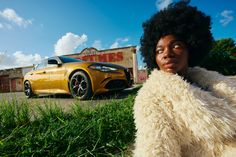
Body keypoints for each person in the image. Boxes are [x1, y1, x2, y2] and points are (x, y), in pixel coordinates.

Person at [133, 1, 236, 157]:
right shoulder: (149, 99)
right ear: (154, 57)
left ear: (191, 48)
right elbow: (155, 149)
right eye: (159, 50)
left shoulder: (214, 82)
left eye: (176, 45)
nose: (167, 53)